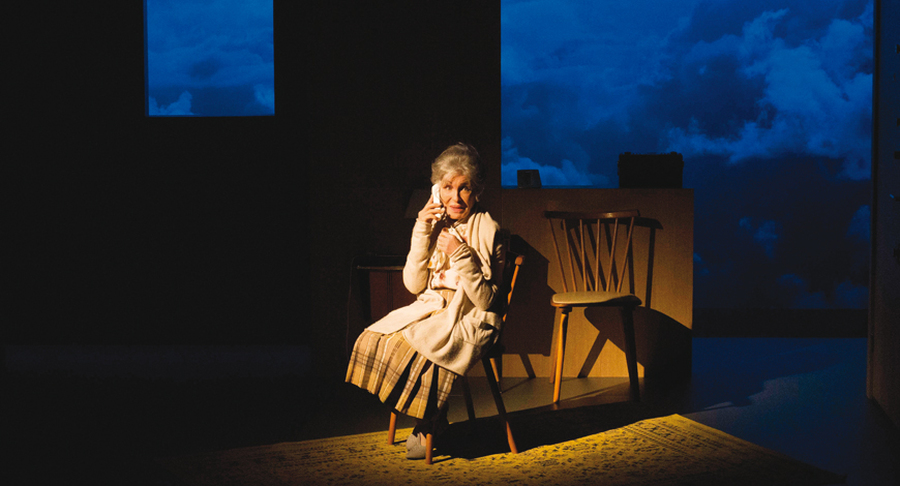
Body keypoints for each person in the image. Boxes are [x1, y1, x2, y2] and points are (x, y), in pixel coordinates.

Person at [345, 143, 504, 460]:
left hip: (469, 314)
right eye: (447, 187)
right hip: (433, 305)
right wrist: (421, 228)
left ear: (477, 192)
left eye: (464, 188)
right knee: (376, 336)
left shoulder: (488, 229)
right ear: (437, 190)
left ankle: (428, 422)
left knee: (423, 348)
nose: (455, 198)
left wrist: (460, 254)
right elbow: (414, 284)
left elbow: (486, 301)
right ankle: (434, 417)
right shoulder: (437, 224)